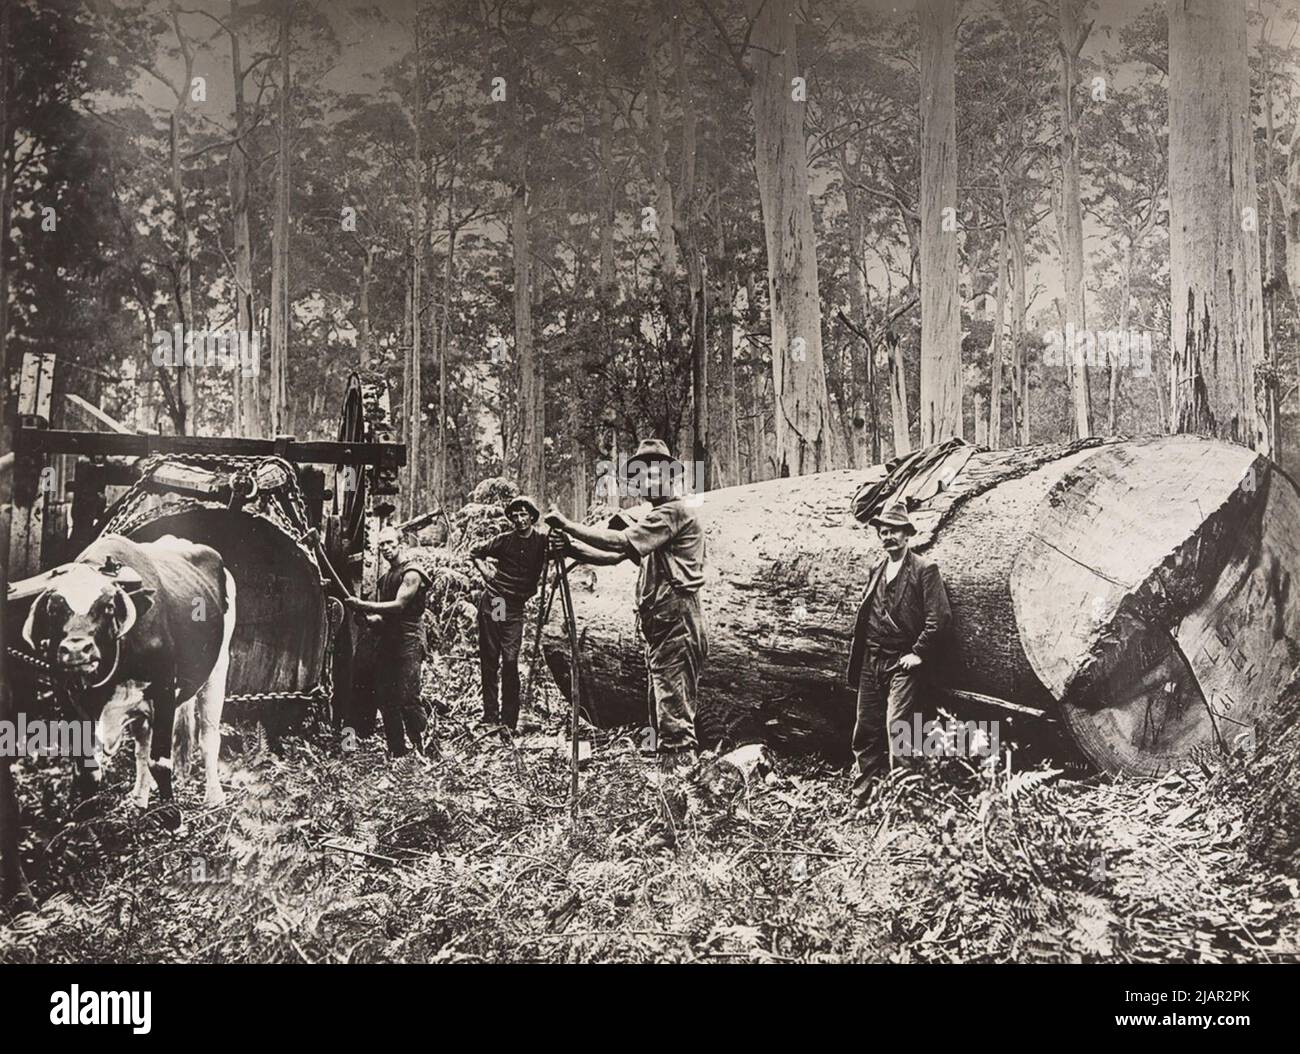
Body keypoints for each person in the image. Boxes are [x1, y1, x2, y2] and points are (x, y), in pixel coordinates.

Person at [545, 439, 707, 766]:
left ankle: (681, 788)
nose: (645, 484)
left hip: (677, 623)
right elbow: (616, 555)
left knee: (674, 719)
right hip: (662, 627)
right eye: (640, 477)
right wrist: (571, 549)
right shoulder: (657, 521)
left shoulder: (674, 512)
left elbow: (619, 539)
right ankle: (668, 785)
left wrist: (569, 526)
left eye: (652, 475)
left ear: (668, 477)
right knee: (660, 708)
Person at [845, 502, 951, 809]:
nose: (887, 536)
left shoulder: (924, 569)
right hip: (871, 660)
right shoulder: (877, 570)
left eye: (893, 531)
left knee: (898, 729)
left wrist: (918, 653)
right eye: (882, 531)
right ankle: (863, 797)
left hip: (902, 663)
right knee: (865, 728)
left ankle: (904, 802)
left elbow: (939, 619)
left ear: (907, 535)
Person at [344, 525, 431, 757]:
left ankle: (427, 749)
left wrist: (365, 605)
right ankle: (398, 752)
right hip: (389, 642)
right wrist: (368, 619)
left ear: (400, 544)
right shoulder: (385, 579)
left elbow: (399, 606)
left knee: (408, 698)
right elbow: (384, 618)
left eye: (391, 543)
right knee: (386, 697)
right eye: (382, 544)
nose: (386, 548)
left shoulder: (412, 573)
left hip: (410, 642)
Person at [470, 495, 549, 730]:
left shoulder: (542, 542)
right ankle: (491, 717)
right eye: (515, 515)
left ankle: (509, 721)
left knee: (511, 661)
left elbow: (563, 551)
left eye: (524, 514)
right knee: (492, 657)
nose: (519, 519)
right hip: (498, 602)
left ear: (532, 517)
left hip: (516, 606)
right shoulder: (505, 541)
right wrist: (486, 574)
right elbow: (475, 552)